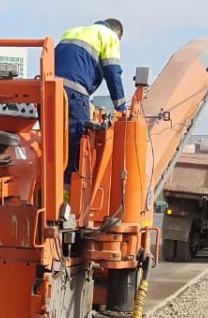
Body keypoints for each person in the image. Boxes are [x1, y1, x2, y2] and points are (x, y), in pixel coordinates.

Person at [55, 18, 126, 192]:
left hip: (49, 91)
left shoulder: (72, 30)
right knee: (76, 147)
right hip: (74, 94)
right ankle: (66, 204)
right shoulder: (109, 36)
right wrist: (121, 107)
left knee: (52, 144)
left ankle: (47, 194)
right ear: (117, 34)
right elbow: (112, 72)